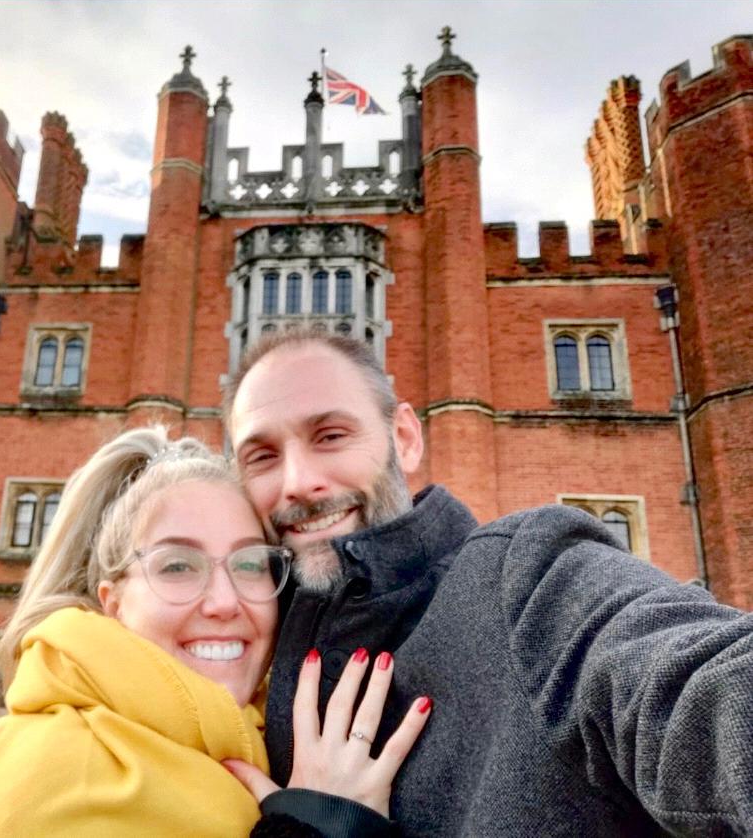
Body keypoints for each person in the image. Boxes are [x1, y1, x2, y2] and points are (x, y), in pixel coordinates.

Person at [221, 331, 753, 836]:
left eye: (331, 436)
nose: (296, 483)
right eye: (262, 456)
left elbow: (697, 682)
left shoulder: (529, 574)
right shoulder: (238, 640)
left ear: (403, 439)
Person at [0, 426, 430, 837]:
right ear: (113, 603)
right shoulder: (56, 772)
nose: (224, 602)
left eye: (250, 564)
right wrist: (322, 825)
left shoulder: (262, 734)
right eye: (178, 566)